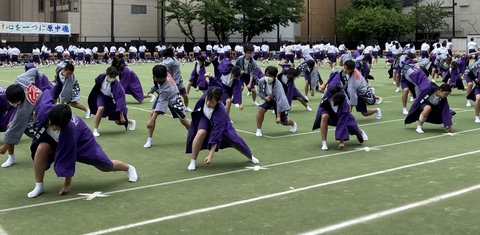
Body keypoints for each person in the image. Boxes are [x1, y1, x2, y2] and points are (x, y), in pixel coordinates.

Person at [27, 90, 137, 198]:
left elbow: (68, 157)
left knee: (104, 166)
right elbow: (45, 92)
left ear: (64, 123)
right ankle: (39, 186)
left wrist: (67, 184)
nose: (52, 127)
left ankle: (129, 168)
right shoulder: (45, 110)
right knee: (41, 148)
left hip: (82, 142)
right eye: (51, 123)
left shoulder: (69, 131)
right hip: (54, 139)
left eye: (56, 125)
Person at [186, 86, 259, 171]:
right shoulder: (207, 95)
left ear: (218, 101)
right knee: (200, 133)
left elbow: (216, 134)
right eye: (207, 100)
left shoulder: (221, 112)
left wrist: (211, 155)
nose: (208, 104)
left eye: (212, 102)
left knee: (234, 140)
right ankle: (193, 161)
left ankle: (249, 155)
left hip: (222, 123)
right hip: (205, 117)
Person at [0, 68, 53, 168]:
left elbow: (17, 125)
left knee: (45, 130)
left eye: (13, 101)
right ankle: (11, 157)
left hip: (42, 102)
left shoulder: (24, 108)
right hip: (35, 95)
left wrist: (6, 146)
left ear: (19, 100)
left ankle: (51, 150)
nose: (11, 103)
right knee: (9, 125)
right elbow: (34, 70)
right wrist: (36, 82)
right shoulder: (21, 80)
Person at [144, 65, 190, 148]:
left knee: (183, 120)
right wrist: (154, 88)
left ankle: (194, 134)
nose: (158, 80)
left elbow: (160, 106)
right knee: (152, 113)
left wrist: (151, 121)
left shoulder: (166, 87)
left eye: (160, 78)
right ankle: (149, 139)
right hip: (162, 94)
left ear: (165, 76)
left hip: (174, 97)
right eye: (156, 78)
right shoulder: (162, 72)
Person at [312, 84, 368, 150]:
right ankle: (324, 143)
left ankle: (360, 131)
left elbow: (342, 122)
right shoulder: (327, 96)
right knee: (324, 116)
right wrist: (324, 84)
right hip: (328, 109)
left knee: (351, 131)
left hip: (341, 113)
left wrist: (341, 141)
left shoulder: (344, 105)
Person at [87, 67, 136, 137]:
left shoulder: (118, 87)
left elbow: (121, 102)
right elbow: (97, 82)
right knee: (100, 108)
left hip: (112, 100)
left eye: (114, 77)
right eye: (111, 76)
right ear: (107, 74)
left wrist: (121, 115)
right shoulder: (101, 76)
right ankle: (95, 130)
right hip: (101, 96)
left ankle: (131, 122)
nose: (112, 78)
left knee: (118, 122)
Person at [255, 66, 297, 137]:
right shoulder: (261, 81)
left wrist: (278, 116)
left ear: (274, 77)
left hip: (278, 101)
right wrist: (265, 98)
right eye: (266, 75)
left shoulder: (278, 85)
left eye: (270, 76)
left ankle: (293, 124)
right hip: (267, 99)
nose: (268, 77)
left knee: (283, 121)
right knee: (260, 110)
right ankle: (258, 130)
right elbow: (259, 91)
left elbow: (280, 100)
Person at [161, 48, 192, 112]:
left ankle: (186, 107)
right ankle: (161, 108)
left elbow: (177, 75)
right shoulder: (169, 61)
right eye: (174, 52)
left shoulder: (174, 61)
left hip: (178, 81)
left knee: (184, 95)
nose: (175, 53)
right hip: (170, 82)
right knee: (167, 96)